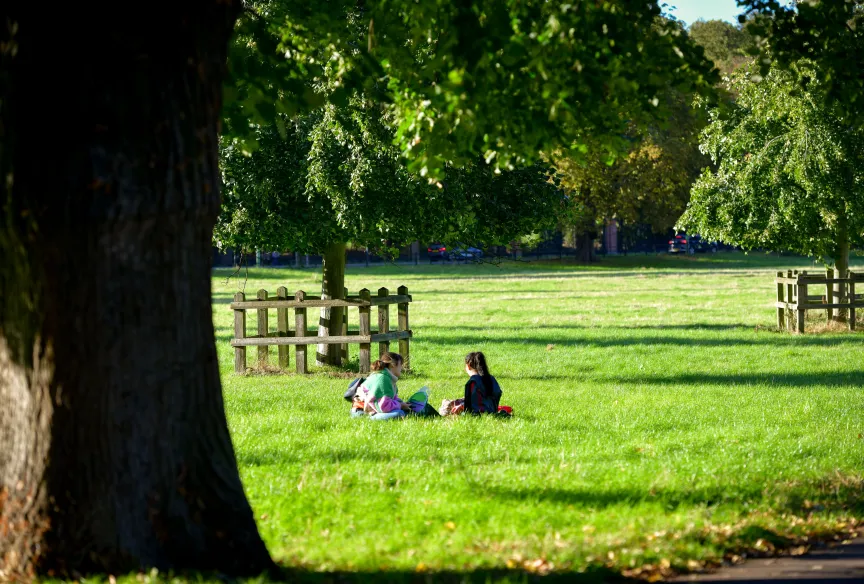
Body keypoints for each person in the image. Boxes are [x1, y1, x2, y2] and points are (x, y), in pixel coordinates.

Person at [441, 351, 506, 415]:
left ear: (468, 366)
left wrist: (462, 408)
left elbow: (472, 405)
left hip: (478, 414)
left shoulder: (473, 382)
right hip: (493, 410)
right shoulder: (491, 378)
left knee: (446, 406)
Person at [354, 352, 411, 420]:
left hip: (374, 409)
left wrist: (402, 403)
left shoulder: (388, 378)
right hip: (361, 412)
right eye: (400, 364)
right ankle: (369, 419)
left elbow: (392, 398)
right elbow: (384, 407)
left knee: (405, 411)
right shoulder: (383, 379)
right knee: (399, 414)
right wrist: (400, 405)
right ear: (393, 365)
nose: (402, 367)